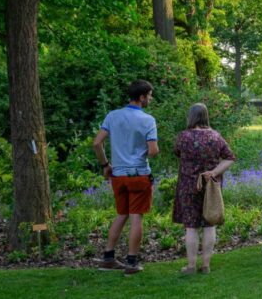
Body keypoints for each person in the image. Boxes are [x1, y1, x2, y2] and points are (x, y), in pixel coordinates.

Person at [93, 80, 159, 275]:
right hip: (138, 175)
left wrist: (106, 165)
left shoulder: (112, 116)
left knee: (122, 214)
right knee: (136, 216)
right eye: (149, 95)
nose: (150, 98)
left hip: (118, 176)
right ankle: (131, 261)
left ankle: (108, 257)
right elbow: (154, 151)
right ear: (141, 97)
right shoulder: (148, 120)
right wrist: (142, 153)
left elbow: (97, 143)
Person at [173, 103, 236, 274]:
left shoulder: (183, 137)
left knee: (191, 226)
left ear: (191, 117)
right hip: (211, 186)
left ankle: (191, 266)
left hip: (188, 186)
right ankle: (206, 265)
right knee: (209, 224)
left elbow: (177, 152)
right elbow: (230, 157)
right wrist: (214, 172)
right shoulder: (215, 137)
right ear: (206, 116)